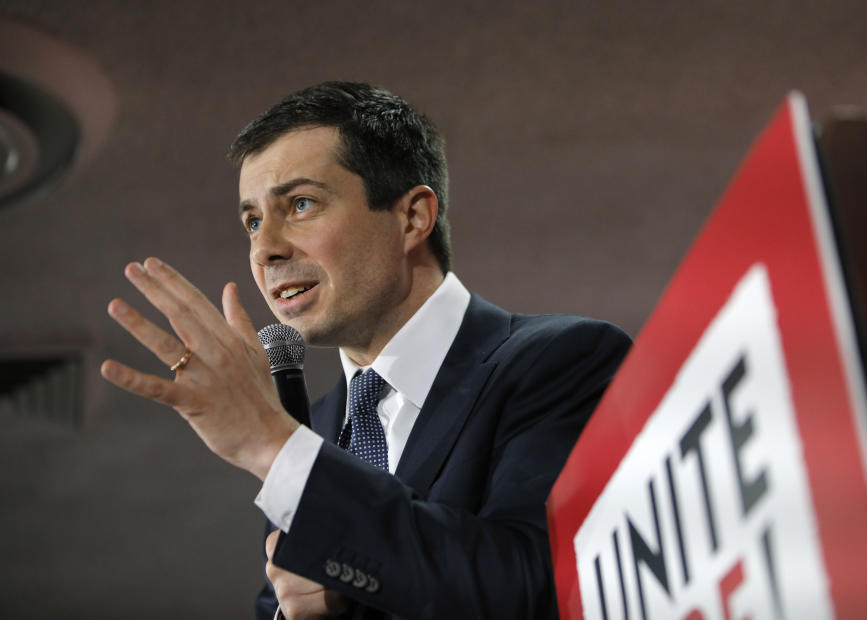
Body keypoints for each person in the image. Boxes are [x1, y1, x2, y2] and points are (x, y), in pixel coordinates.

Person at [101, 82, 631, 619]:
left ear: (413, 218)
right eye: (253, 221)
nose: (264, 249)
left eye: (301, 204)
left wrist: (272, 445)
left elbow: (536, 585)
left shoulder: (563, 360)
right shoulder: (313, 430)